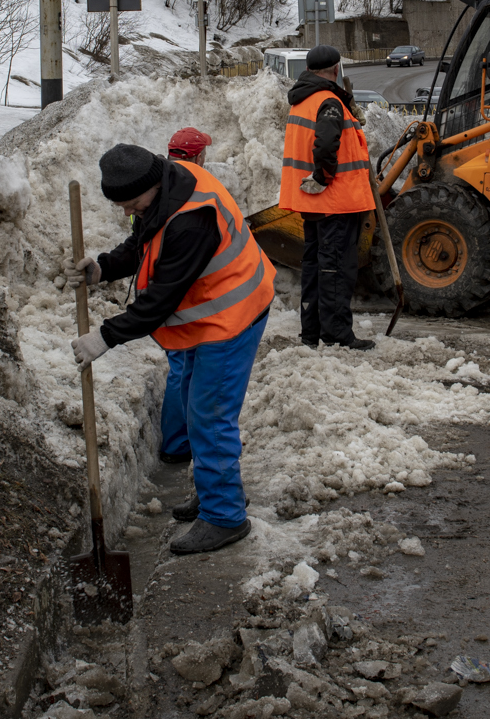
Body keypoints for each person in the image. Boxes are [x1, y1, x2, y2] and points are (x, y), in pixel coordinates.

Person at [72, 144, 274, 553]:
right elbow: (143, 243)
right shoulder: (163, 189)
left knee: (209, 416)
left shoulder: (191, 220)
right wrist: (103, 268)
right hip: (210, 316)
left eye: (133, 204)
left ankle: (225, 516)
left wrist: (105, 337)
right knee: (190, 401)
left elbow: (159, 301)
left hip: (232, 315)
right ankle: (216, 489)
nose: (130, 213)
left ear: (150, 185)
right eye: (123, 206)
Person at [281, 44, 376, 350]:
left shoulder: (304, 99)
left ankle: (311, 332)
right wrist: (324, 177)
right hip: (336, 200)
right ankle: (336, 335)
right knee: (336, 267)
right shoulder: (328, 102)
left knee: (314, 266)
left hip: (313, 202)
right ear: (336, 69)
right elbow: (324, 146)